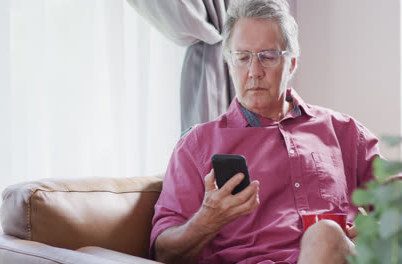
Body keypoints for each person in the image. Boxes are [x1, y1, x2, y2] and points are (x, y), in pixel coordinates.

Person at [149, 0, 380, 263]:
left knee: (326, 235)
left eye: (268, 57)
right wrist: (207, 219)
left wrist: (377, 229)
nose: (254, 72)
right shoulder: (196, 145)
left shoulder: (344, 132)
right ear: (229, 64)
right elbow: (163, 253)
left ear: (291, 64)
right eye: (243, 57)